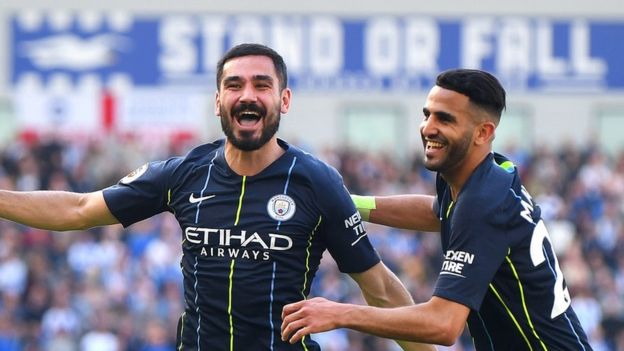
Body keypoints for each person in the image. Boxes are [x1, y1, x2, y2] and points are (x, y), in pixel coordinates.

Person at [0, 43, 433, 351]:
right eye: (234, 85)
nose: (247, 95)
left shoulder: (318, 183)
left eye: (261, 85)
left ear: (284, 100)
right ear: (218, 100)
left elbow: (378, 287)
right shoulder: (184, 173)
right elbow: (79, 208)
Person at [281, 69, 594, 350]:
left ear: (483, 133)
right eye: (427, 114)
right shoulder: (481, 172)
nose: (428, 128)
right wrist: (349, 203)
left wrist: (340, 312)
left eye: (445, 119)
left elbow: (443, 324)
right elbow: (436, 212)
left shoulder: (483, 203)